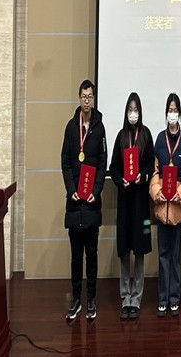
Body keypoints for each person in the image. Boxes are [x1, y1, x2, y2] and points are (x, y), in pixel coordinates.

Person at [61, 79, 107, 322]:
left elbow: (102, 162)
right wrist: (71, 189)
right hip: (74, 201)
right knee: (75, 256)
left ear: (93, 99)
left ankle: (91, 299)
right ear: (79, 98)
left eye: (90, 96)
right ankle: (76, 300)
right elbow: (65, 161)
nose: (87, 100)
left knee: (92, 255)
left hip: (91, 202)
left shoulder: (99, 128)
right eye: (83, 96)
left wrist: (96, 191)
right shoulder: (71, 127)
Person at [109, 92, 155, 319]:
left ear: (140, 112)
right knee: (125, 249)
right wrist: (121, 180)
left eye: (136, 110)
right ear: (126, 112)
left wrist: (142, 177)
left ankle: (136, 298)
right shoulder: (121, 136)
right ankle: (125, 296)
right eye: (130, 109)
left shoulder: (146, 135)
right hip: (125, 201)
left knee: (140, 249)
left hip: (141, 203)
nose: (133, 113)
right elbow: (114, 167)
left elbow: (150, 164)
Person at [149, 93, 181, 317]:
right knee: (163, 254)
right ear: (166, 113)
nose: (172, 114)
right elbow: (155, 172)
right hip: (161, 206)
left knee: (175, 256)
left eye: (175, 110)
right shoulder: (159, 139)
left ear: (179, 113)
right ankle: (162, 298)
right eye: (170, 110)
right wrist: (157, 192)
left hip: (177, 206)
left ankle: (174, 297)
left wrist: (180, 193)